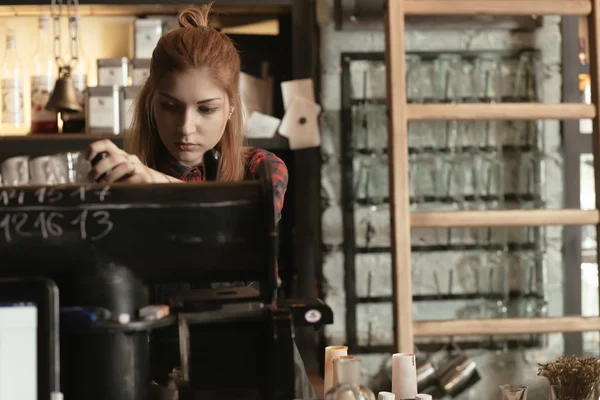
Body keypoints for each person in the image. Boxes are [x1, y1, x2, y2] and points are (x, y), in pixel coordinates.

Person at [86, 4, 317, 399]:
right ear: (151, 103)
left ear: (230, 107)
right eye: (170, 106)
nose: (186, 128)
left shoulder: (263, 170)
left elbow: (237, 216)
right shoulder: (120, 179)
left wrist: (154, 184)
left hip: (255, 368)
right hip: (151, 371)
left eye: (206, 109)